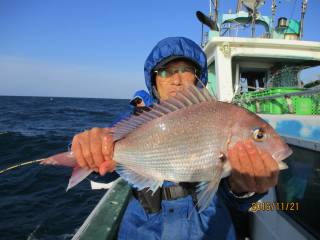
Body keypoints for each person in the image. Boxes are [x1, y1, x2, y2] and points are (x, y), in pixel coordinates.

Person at [71, 37, 280, 239]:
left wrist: (242, 189)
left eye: (185, 70)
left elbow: (231, 200)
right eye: (165, 71)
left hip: (206, 224)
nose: (177, 80)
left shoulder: (221, 114)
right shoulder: (135, 121)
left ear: (198, 76)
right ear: (153, 79)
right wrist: (89, 149)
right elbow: (105, 172)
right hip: (143, 226)